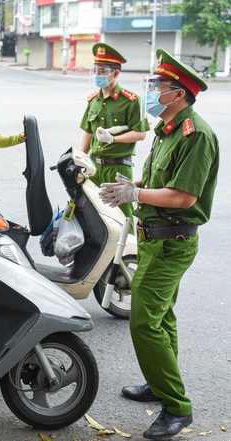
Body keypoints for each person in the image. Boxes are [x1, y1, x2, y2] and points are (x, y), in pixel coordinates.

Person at [99, 49, 219, 440]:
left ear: (178, 94)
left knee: (144, 322)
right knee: (162, 317)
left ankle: (177, 407)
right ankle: (159, 381)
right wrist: (129, 189)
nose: (151, 90)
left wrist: (135, 193)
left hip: (173, 243)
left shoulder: (195, 135)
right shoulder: (166, 130)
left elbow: (184, 198)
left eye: (157, 86)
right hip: (154, 240)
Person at [80, 43, 150, 234]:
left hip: (118, 167)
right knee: (93, 212)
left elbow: (141, 133)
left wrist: (113, 140)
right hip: (94, 166)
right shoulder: (93, 100)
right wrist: (81, 159)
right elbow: (88, 131)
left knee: (122, 214)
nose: (97, 74)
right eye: (95, 69)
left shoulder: (131, 100)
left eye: (102, 70)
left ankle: (127, 258)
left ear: (116, 73)